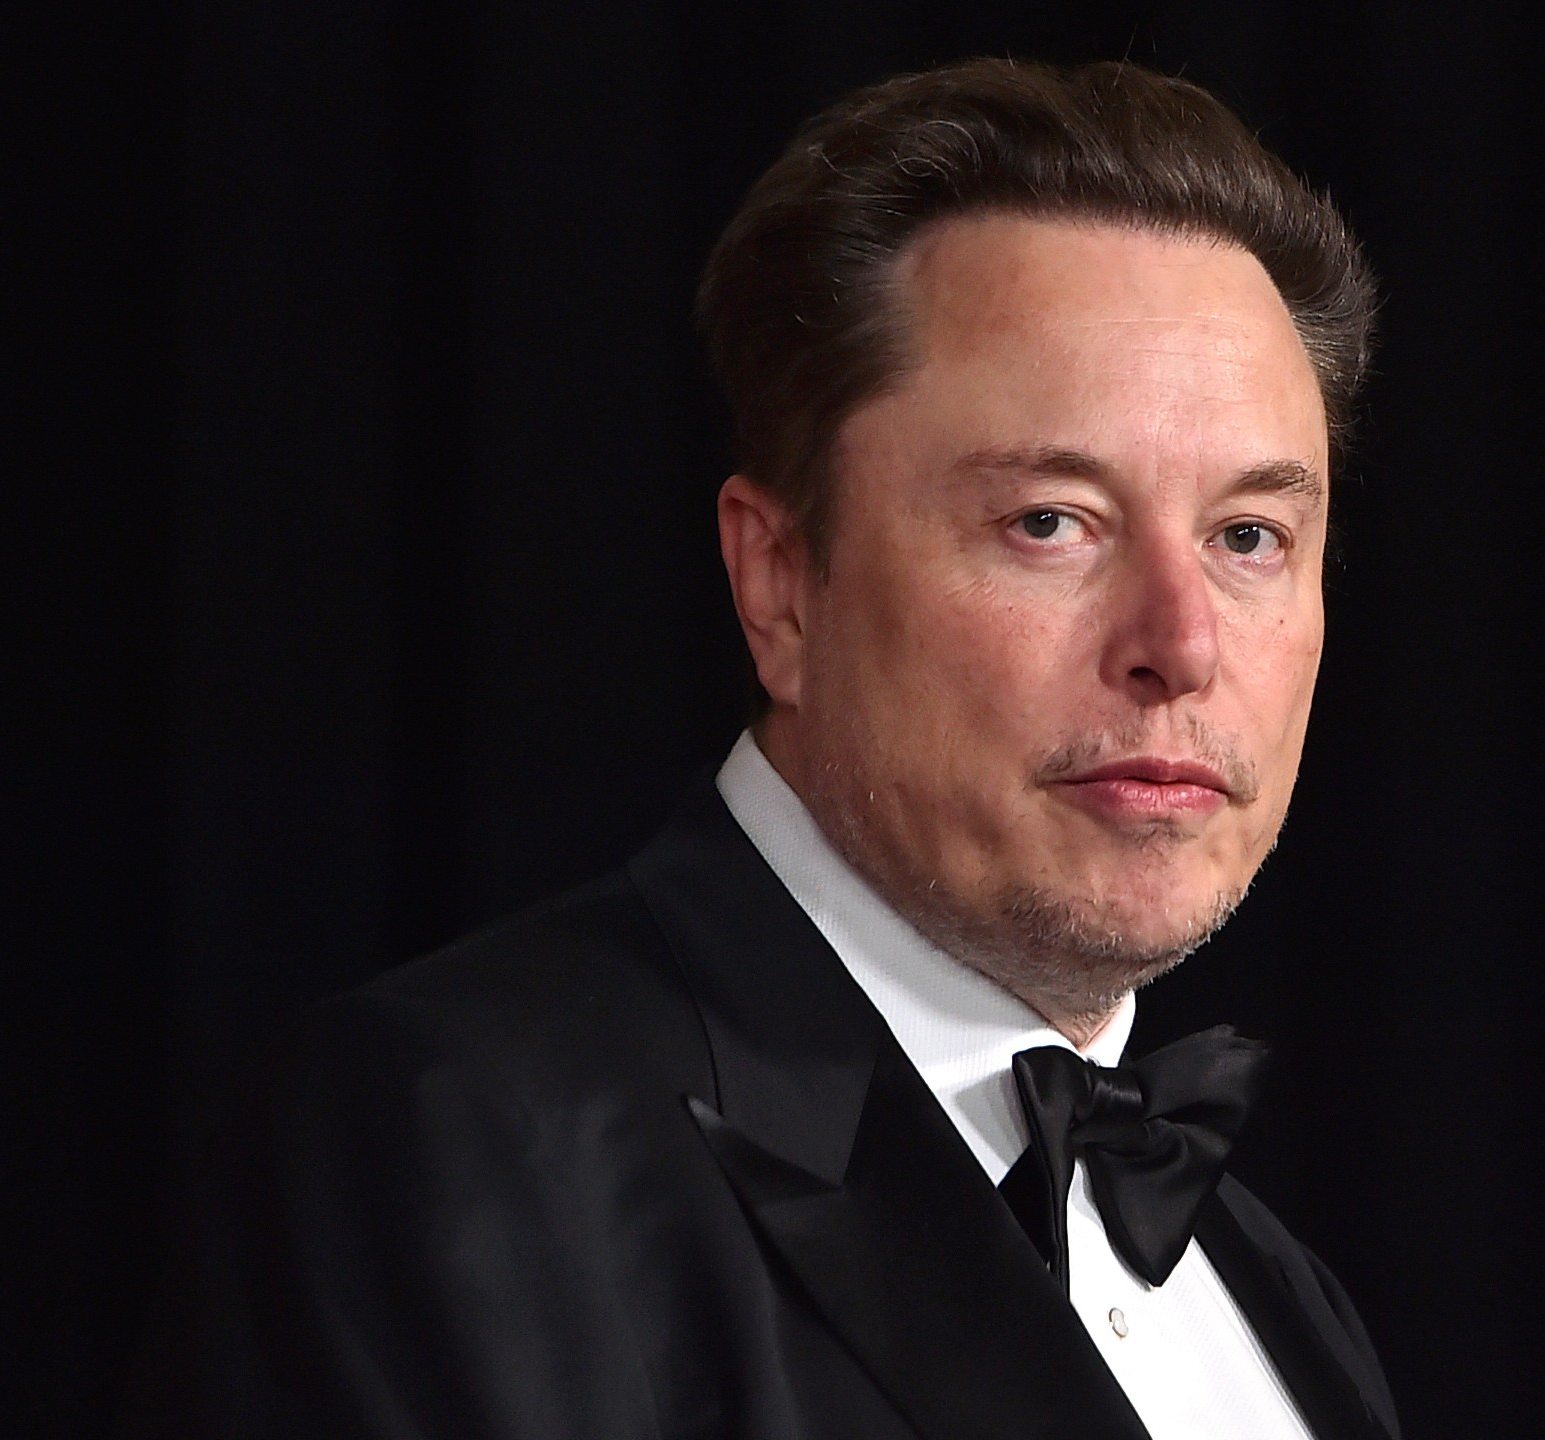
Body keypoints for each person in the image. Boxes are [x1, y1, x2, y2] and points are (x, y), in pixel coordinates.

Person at [129, 56, 1399, 1440]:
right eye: (1051, 520)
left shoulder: (1280, 1299)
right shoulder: (450, 1144)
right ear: (780, 581)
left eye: (1248, 538)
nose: (1182, 643)